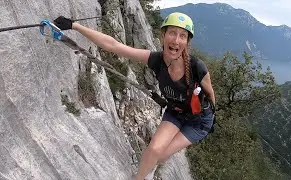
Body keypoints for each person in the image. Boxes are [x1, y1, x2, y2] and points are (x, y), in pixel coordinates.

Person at [54, 12, 216, 180]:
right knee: (154, 151)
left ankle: (151, 169)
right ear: (163, 35)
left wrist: (210, 117)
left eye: (182, 36)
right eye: (172, 33)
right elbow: (113, 46)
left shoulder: (197, 68)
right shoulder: (156, 60)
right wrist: (74, 25)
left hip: (199, 121)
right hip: (176, 112)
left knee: (161, 156)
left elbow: (210, 95)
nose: (176, 40)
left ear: (187, 43)